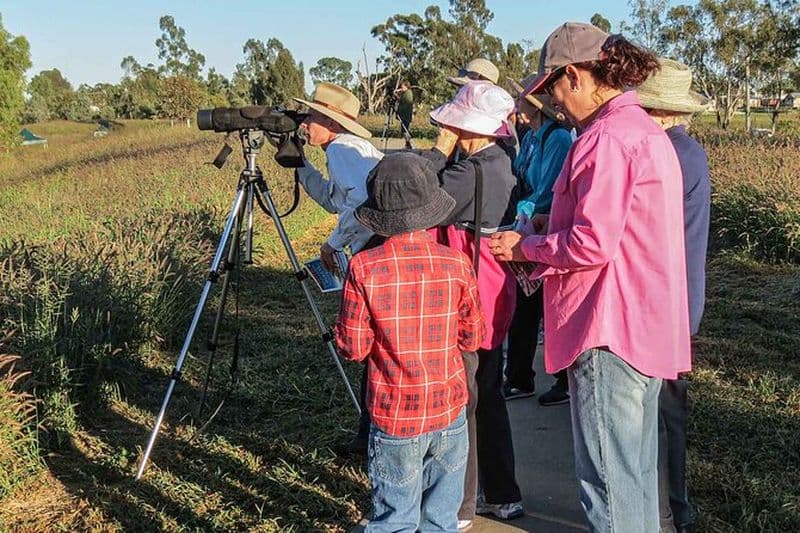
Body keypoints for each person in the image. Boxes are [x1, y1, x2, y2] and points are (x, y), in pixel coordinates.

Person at [489, 22, 691, 532]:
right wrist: (546, 224)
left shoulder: (605, 139)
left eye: (552, 88)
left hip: (606, 329)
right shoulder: (642, 130)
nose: (554, 103)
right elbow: (613, 229)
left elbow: (593, 243)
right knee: (636, 478)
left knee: (608, 489)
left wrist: (525, 244)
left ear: (575, 76)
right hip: (641, 327)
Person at [335, 152, 484, 531]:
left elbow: (352, 347)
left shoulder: (364, 267)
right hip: (449, 411)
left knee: (393, 519)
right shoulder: (456, 264)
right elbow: (473, 336)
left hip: (394, 413)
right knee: (440, 518)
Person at [425, 80, 524, 528]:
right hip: (493, 290)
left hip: (468, 295)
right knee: (488, 393)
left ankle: (461, 506)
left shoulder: (469, 171)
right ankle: (503, 494)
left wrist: (438, 150)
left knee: (464, 398)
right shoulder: (501, 160)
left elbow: (419, 200)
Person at [637, 58, 711, 533]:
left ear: (660, 111)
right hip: (680, 300)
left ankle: (668, 513)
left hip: (666, 304)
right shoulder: (687, 150)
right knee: (667, 411)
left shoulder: (669, 155)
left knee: (661, 416)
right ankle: (672, 510)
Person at [293, 82, 384, 454]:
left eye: (312, 117)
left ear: (332, 122)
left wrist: (332, 243)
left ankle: (370, 434)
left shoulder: (345, 149)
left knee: (373, 344)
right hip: (379, 246)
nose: (305, 124)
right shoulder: (346, 150)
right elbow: (335, 200)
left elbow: (362, 205)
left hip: (376, 249)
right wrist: (299, 164)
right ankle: (370, 431)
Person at [504, 92, 573, 405]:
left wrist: (522, 215)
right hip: (528, 222)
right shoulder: (531, 137)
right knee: (526, 306)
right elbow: (520, 177)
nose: (518, 103)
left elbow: (549, 190)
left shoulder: (557, 139)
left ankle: (563, 378)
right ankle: (519, 377)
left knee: (544, 305)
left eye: (523, 99)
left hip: (543, 227)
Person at [395, 80, 414, 148]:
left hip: (405, 115)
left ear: (406, 86)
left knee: (405, 130)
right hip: (404, 115)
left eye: (402, 86)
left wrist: (397, 97)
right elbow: (402, 100)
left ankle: (408, 143)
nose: (401, 88)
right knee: (404, 130)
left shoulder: (408, 93)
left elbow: (405, 103)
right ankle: (407, 144)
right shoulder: (405, 92)